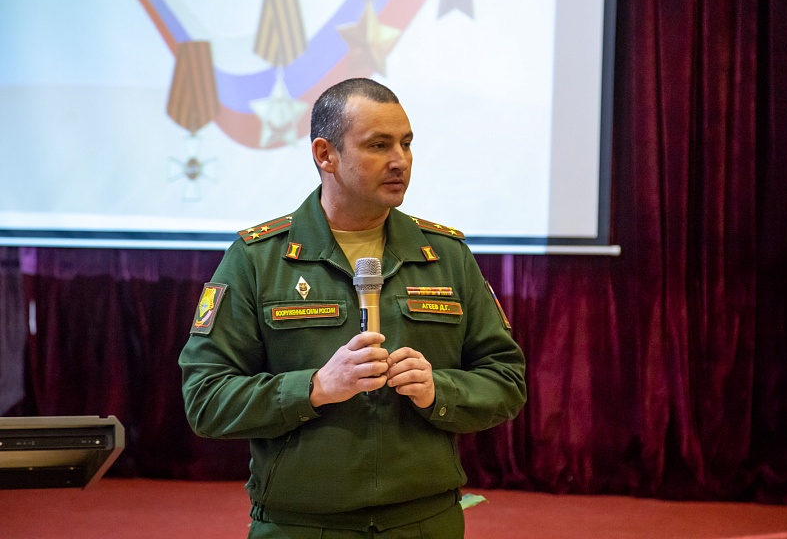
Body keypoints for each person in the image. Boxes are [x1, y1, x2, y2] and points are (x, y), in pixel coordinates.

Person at [179, 77, 527, 538]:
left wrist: (438, 390)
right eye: (379, 145)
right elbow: (206, 400)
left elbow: (506, 381)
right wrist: (314, 388)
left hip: (424, 522)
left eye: (406, 144)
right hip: (301, 526)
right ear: (325, 154)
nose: (400, 160)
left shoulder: (445, 256)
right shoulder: (258, 260)